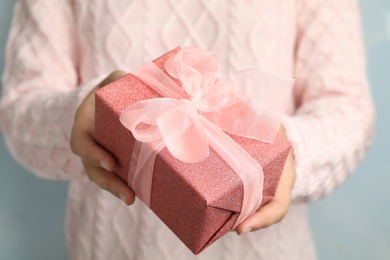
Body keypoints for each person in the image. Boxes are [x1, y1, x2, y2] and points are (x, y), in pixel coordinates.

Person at [0, 0, 374, 259]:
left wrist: (287, 152)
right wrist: (87, 109)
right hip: (109, 249)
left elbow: (347, 109)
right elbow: (19, 111)